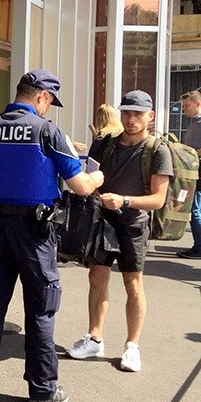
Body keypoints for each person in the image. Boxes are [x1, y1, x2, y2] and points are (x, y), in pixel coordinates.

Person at [0, 69, 104, 402]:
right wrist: (97, 175)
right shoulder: (48, 131)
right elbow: (80, 186)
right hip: (36, 233)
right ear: (41, 97)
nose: (49, 108)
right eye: (50, 102)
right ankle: (41, 391)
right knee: (41, 310)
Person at [65, 90, 172, 372]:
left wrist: (124, 200)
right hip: (102, 221)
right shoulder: (105, 143)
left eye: (138, 114)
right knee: (96, 277)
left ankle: (132, 346)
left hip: (133, 224)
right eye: (126, 112)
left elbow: (158, 200)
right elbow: (90, 177)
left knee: (132, 284)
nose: (131, 119)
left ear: (150, 116)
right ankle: (94, 337)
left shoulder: (158, 150)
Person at [177, 90, 201, 259]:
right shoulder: (193, 123)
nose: (184, 109)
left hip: (198, 171)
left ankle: (199, 247)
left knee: (195, 209)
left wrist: (190, 153)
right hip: (193, 170)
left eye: (187, 105)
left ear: (197, 104)